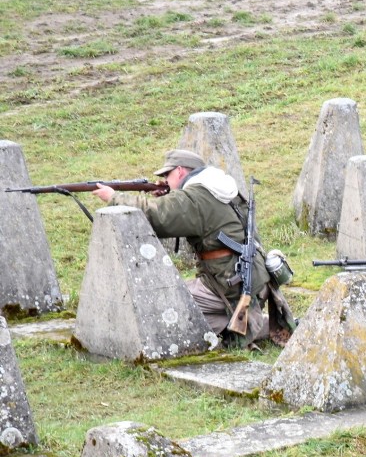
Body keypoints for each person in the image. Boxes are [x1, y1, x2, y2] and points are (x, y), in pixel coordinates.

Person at [92, 149, 295, 348]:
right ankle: (256, 322)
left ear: (180, 171)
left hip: (228, 283)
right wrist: (170, 194)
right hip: (254, 278)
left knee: (165, 302)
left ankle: (248, 326)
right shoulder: (220, 188)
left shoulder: (194, 197)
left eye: (167, 175)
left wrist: (114, 197)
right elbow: (183, 209)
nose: (165, 179)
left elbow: (154, 215)